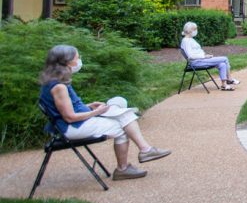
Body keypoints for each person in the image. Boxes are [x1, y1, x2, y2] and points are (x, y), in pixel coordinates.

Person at [39, 45, 171, 181]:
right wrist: (96, 112)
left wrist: (89, 106)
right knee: (123, 124)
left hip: (76, 122)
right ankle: (125, 167)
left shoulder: (56, 80)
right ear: (66, 62)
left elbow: (66, 108)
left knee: (119, 102)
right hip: (72, 128)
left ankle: (144, 151)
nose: (79, 60)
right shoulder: (59, 86)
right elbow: (70, 117)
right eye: (77, 58)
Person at [180, 22, 240, 90]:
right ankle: (229, 79)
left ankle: (224, 85)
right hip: (197, 62)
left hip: (201, 60)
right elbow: (190, 56)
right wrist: (204, 56)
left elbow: (196, 52)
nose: (196, 31)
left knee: (222, 64)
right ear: (189, 30)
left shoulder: (191, 39)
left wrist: (205, 55)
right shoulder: (185, 41)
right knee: (225, 58)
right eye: (195, 29)